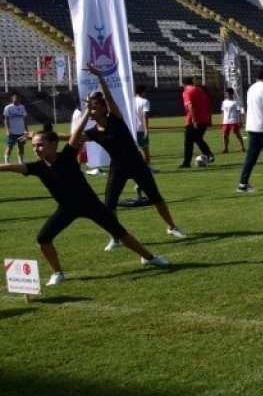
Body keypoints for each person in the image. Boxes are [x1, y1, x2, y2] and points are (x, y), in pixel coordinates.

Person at [0, 122, 171, 286]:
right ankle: (57, 274)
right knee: (43, 239)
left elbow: (76, 134)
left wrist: (88, 112)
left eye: (40, 145)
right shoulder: (37, 167)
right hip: (67, 209)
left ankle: (149, 257)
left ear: (53, 144)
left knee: (120, 233)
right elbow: (10, 167)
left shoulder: (67, 155)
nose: (36, 149)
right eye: (33, 146)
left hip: (91, 204)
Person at [82, 64, 186, 246]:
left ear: (104, 108)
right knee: (109, 204)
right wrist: (43, 136)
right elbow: (71, 138)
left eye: (94, 106)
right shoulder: (93, 132)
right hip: (118, 167)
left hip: (137, 163)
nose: (91, 109)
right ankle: (115, 237)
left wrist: (99, 76)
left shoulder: (115, 118)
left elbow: (108, 97)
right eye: (89, 107)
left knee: (156, 197)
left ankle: (171, 227)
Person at [179, 76, 215, 169]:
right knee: (197, 138)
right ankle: (208, 154)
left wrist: (194, 120)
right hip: (204, 119)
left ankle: (187, 163)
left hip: (192, 120)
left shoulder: (187, 92)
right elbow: (208, 105)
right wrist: (209, 119)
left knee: (188, 142)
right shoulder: (201, 91)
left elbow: (191, 106)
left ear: (184, 84)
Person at [4, 92, 29, 164]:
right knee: (10, 146)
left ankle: (21, 162)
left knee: (21, 146)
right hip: (12, 132)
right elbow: (6, 120)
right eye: (15, 97)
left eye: (18, 97)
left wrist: (26, 130)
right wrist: (7, 130)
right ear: (12, 98)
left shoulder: (22, 107)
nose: (17, 99)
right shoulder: (8, 107)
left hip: (21, 132)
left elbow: (24, 119)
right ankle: (7, 163)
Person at [133, 84, 152, 168]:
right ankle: (147, 167)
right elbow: (145, 116)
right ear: (143, 92)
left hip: (132, 128)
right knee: (145, 149)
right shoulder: (144, 101)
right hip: (140, 128)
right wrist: (146, 129)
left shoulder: (131, 101)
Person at [220, 88, 245, 153]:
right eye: (226, 94)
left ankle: (242, 147)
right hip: (226, 121)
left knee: (237, 134)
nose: (227, 95)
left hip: (233, 121)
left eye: (229, 93)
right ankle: (225, 149)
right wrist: (221, 121)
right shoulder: (224, 102)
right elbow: (223, 112)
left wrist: (240, 121)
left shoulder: (236, 102)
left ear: (232, 94)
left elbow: (238, 112)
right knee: (225, 135)